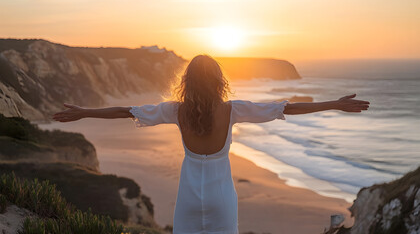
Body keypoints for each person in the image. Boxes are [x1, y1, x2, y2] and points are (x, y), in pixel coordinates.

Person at [53, 54, 369, 234]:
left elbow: (127, 111)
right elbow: (285, 107)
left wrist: (84, 113)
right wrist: (334, 104)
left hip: (189, 198)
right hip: (222, 198)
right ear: (219, 80)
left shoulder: (175, 111)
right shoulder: (232, 109)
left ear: (187, 81)